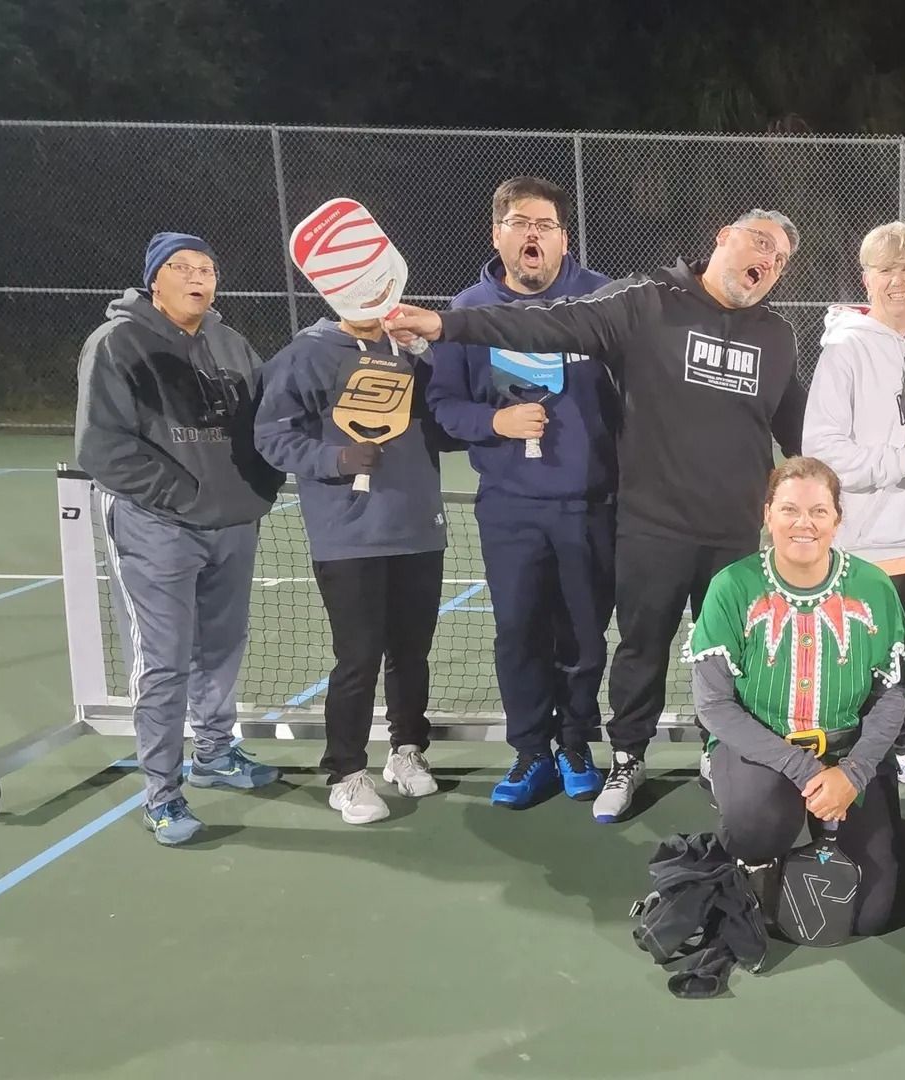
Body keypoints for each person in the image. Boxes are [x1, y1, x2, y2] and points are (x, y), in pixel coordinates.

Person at [385, 209, 807, 823]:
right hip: (653, 525)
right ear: (723, 238)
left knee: (731, 656)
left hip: (736, 533)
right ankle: (629, 757)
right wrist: (447, 325)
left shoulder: (777, 335)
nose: (768, 261)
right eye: (761, 243)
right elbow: (546, 322)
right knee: (640, 652)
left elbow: (801, 427)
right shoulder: (646, 301)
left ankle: (721, 754)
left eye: (781, 259)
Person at [74, 232, 283, 846]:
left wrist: (256, 489)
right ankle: (161, 793)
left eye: (208, 269)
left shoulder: (231, 343)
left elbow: (263, 422)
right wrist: (185, 497)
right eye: (183, 267)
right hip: (158, 527)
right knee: (164, 662)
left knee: (222, 646)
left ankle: (215, 753)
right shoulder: (116, 343)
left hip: (231, 525)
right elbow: (102, 448)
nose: (198, 277)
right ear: (154, 281)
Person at [424, 176, 619, 809]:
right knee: (518, 634)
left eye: (545, 226)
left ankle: (576, 743)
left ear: (564, 239)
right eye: (520, 224)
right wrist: (496, 422)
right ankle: (532, 751)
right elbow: (442, 405)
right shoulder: (467, 310)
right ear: (497, 234)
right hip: (509, 507)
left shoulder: (602, 300)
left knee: (585, 638)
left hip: (591, 504)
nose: (533, 235)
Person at [686, 457, 905, 937]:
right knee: (756, 825)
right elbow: (714, 703)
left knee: (869, 917)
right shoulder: (731, 586)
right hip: (762, 748)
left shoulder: (874, 586)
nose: (803, 523)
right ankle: (755, 842)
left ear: (837, 519)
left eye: (818, 511)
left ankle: (827, 823)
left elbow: (891, 695)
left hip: (847, 752)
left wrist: (854, 773)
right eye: (789, 509)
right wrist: (807, 771)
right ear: (768, 514)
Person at [255, 314, 449, 825]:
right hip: (347, 536)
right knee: (358, 659)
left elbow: (448, 422)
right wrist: (336, 459)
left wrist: (428, 356)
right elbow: (271, 435)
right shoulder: (306, 354)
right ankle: (346, 773)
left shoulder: (411, 353)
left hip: (418, 528)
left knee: (412, 654)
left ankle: (407, 750)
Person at [803, 220, 905, 790]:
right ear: (866, 278)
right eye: (886, 269)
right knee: (863, 663)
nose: (898, 281)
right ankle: (857, 757)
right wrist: (900, 459)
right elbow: (822, 450)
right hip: (867, 544)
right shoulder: (844, 349)